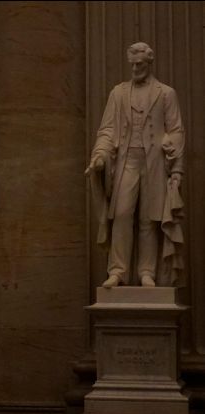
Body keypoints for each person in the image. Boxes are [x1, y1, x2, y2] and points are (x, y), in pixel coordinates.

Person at [85, 41, 185, 288]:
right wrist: (100, 155)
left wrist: (175, 164)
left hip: (155, 162)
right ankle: (118, 270)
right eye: (132, 65)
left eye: (139, 64)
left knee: (148, 219)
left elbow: (176, 130)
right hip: (126, 160)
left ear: (149, 63)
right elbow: (107, 130)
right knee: (121, 214)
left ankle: (146, 272)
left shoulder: (166, 93)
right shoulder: (118, 93)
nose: (135, 69)